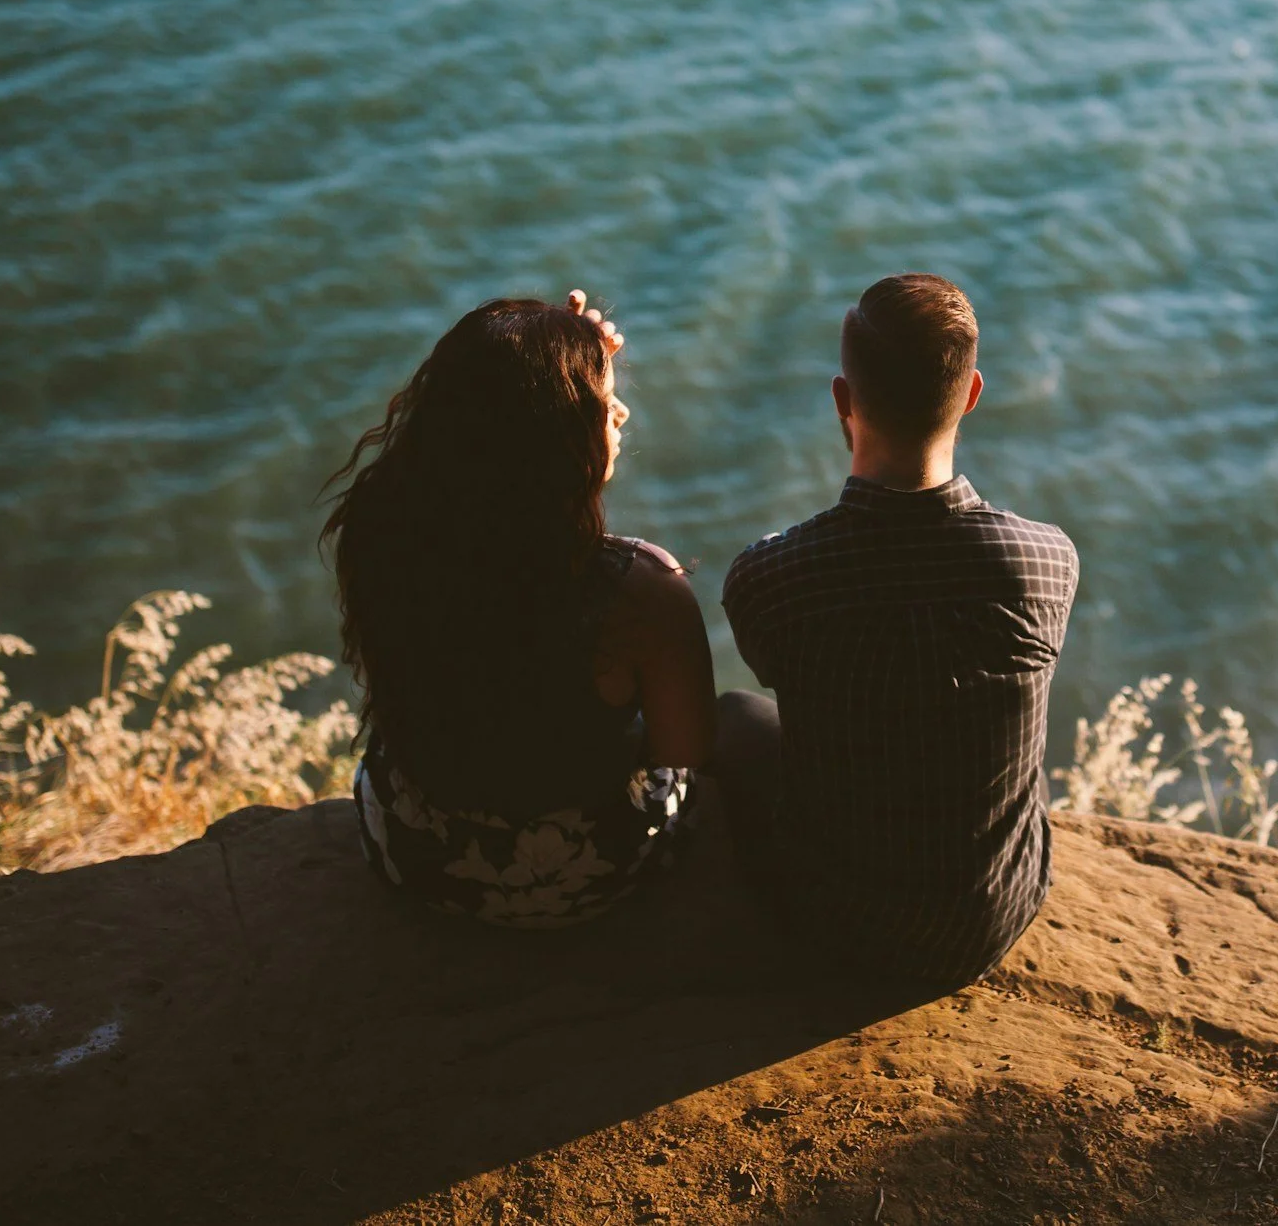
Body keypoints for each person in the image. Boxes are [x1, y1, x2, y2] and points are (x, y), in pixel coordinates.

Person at [720, 274, 1080, 984]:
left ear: (843, 402)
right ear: (972, 392)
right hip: (990, 920)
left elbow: (776, 668)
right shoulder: (1047, 562)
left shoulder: (770, 578)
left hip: (838, 929)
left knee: (734, 715)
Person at [322, 293, 716, 927]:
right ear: (560, 445)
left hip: (417, 854)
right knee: (744, 722)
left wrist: (553, 347)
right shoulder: (638, 587)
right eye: (601, 407)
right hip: (583, 878)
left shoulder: (382, 534)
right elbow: (686, 746)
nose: (622, 412)